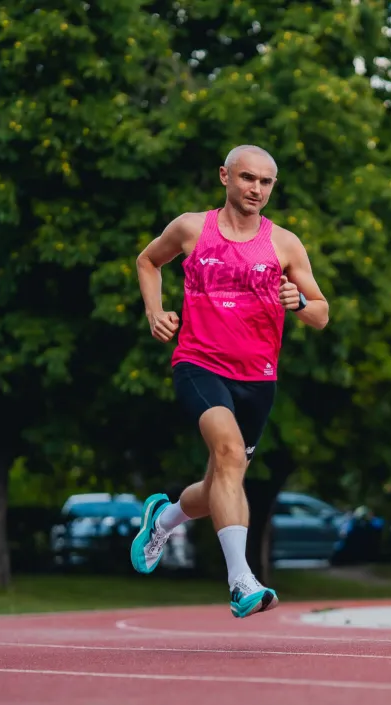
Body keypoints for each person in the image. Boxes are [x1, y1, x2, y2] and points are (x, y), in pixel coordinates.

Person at [129, 145, 329, 618]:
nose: (256, 189)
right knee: (229, 454)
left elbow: (321, 313)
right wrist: (154, 312)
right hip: (199, 363)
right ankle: (241, 582)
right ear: (225, 176)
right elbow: (147, 261)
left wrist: (298, 302)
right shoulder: (190, 228)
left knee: (222, 478)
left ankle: (166, 516)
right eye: (247, 178)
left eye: (265, 182)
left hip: (258, 379)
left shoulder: (285, 243)